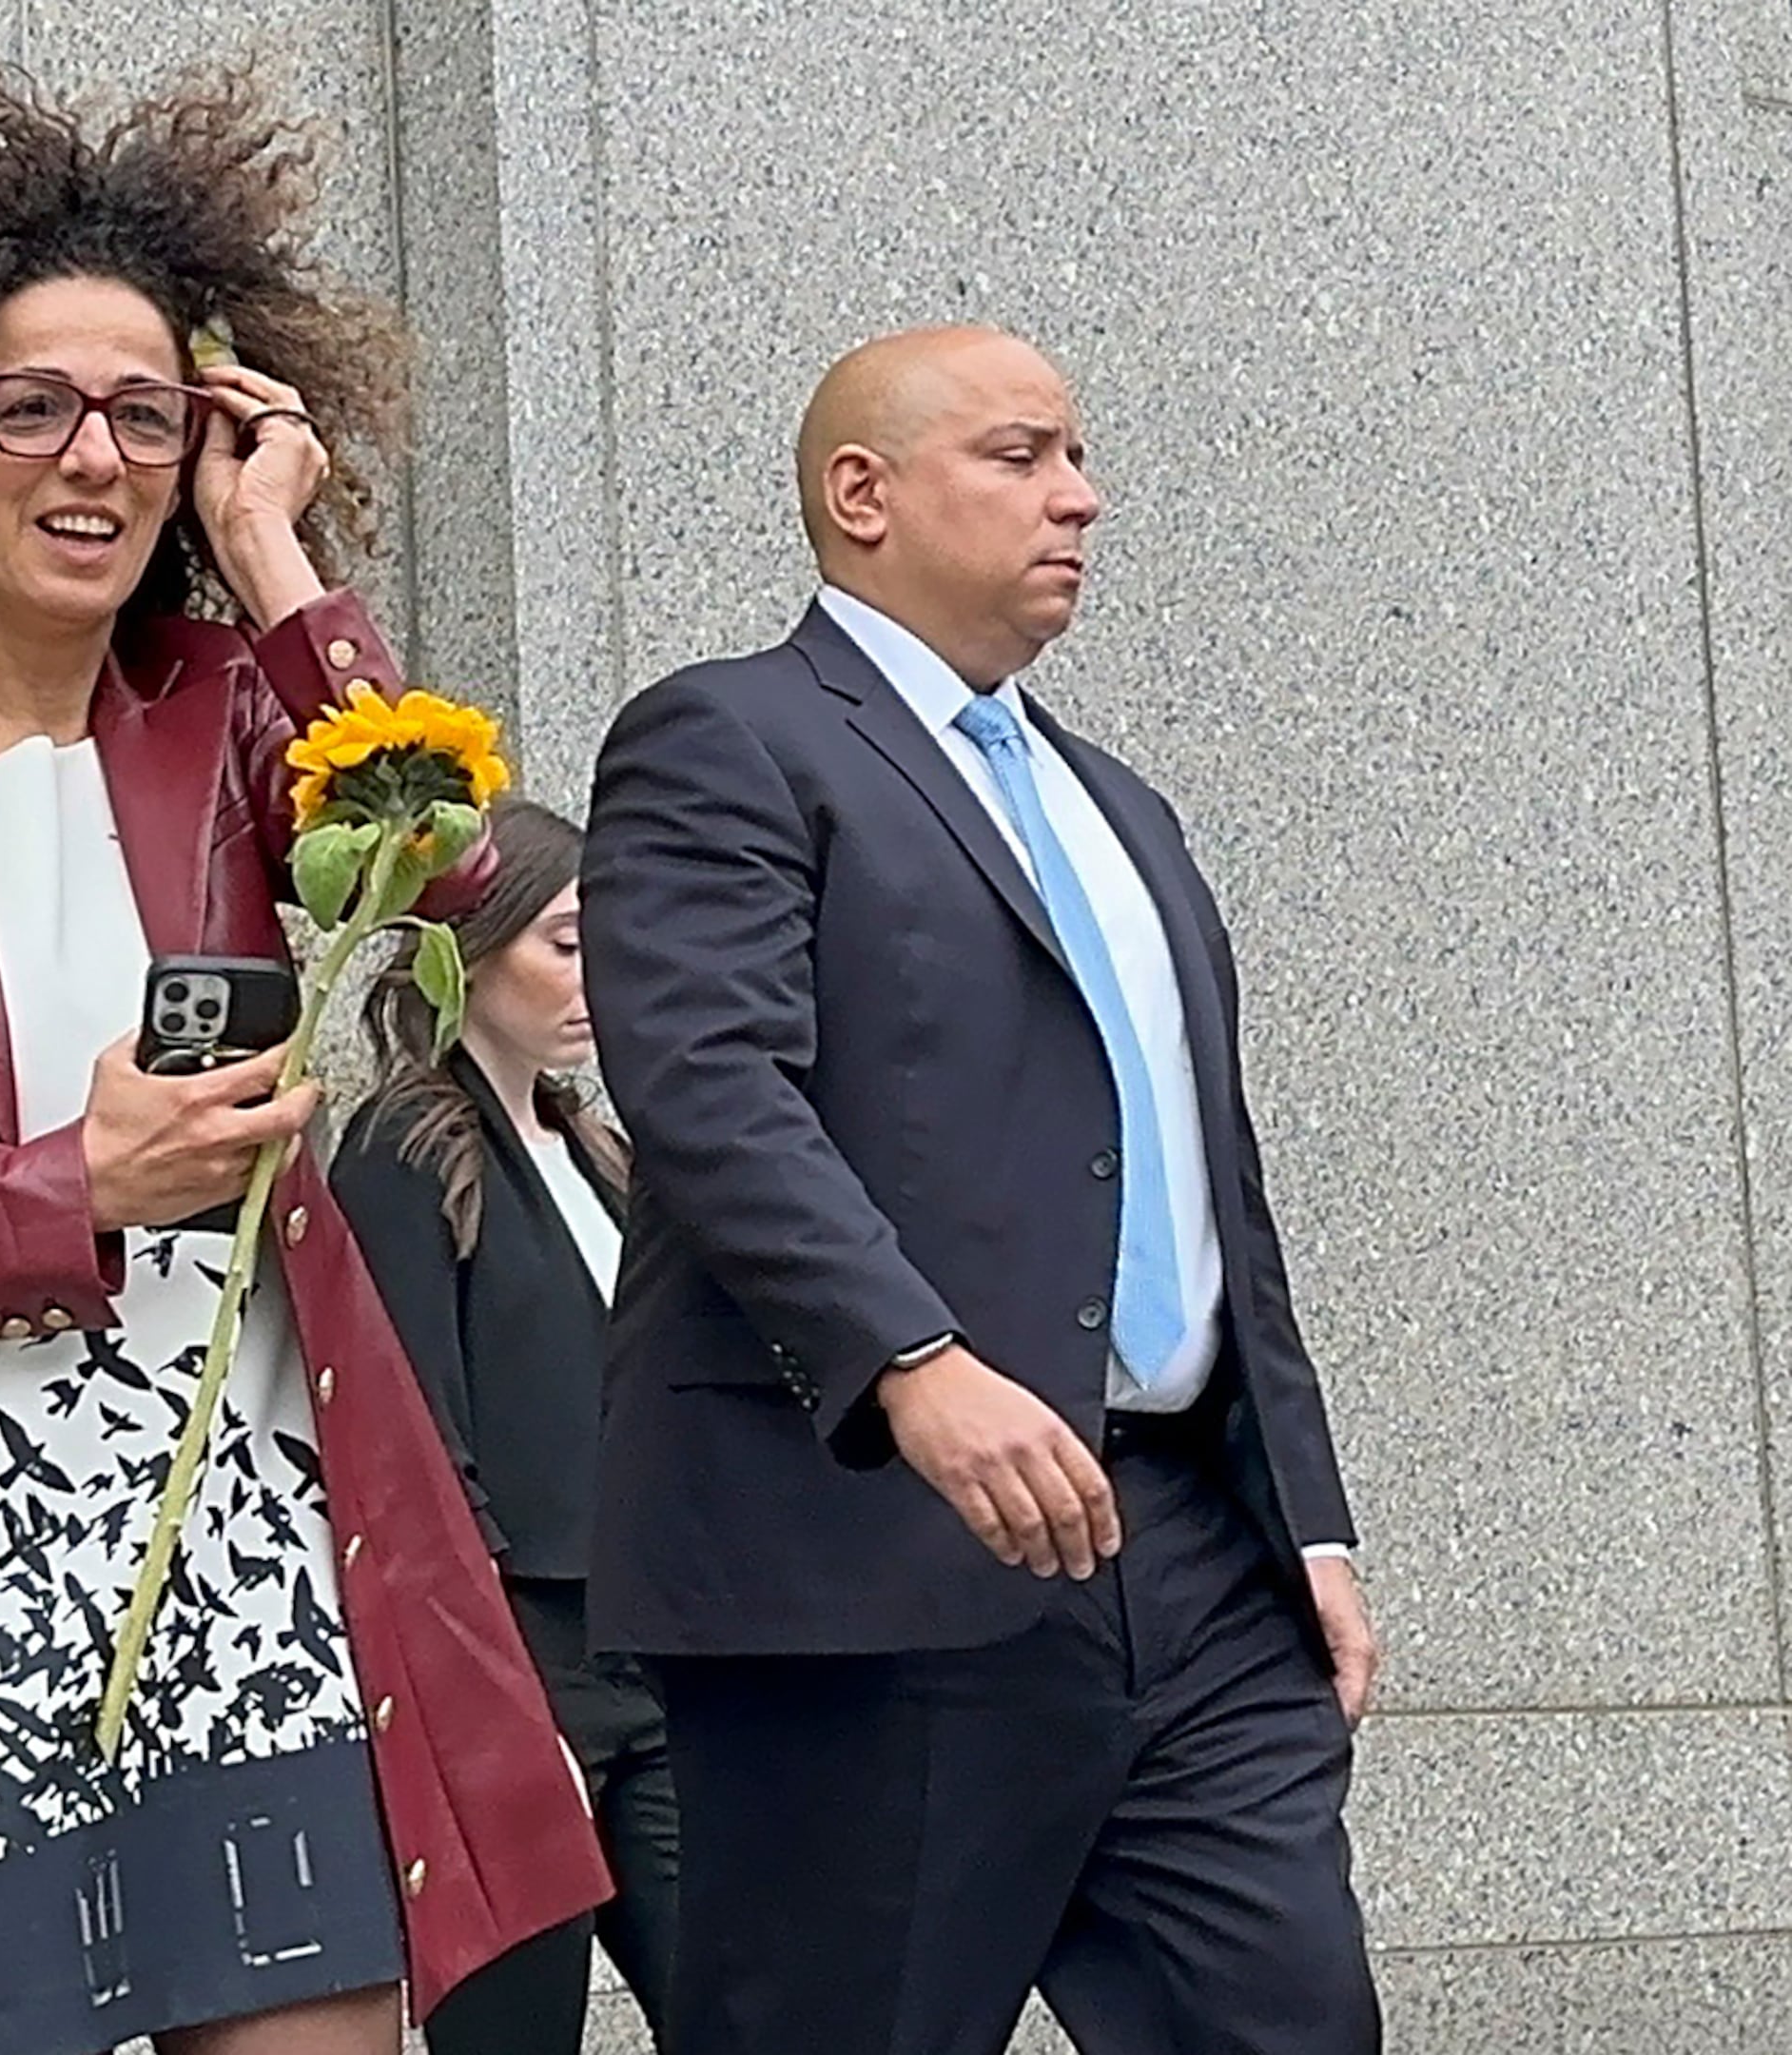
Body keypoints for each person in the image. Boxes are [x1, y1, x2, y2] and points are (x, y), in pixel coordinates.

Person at [0, 49, 604, 2055]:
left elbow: (445, 867)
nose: (93, 459)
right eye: (36, 406)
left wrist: (277, 558)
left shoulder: (234, 725)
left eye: (145, 415)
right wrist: (64, 1192)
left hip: (256, 1554)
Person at [575, 324, 1383, 2055]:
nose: (1078, 499)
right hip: (867, 1541)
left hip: (1185, 1560)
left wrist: (1301, 1516)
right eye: (1021, 456)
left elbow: (1213, 1189)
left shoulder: (1121, 808)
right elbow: (710, 1091)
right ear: (860, 494)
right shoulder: (731, 738)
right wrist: (914, 1365)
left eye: (1080, 458)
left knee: (1291, 2019)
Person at [330, 799, 673, 2055]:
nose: (600, 974)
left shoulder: (600, 1151)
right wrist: (498, 1701)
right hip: (516, 1653)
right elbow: (413, 1439)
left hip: (652, 1647)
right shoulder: (405, 1148)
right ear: (467, 950)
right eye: (570, 941)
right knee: (517, 2027)